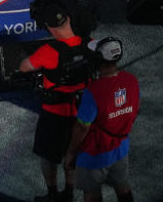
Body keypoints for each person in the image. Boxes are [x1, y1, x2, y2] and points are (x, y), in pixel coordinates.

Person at [19, 1, 89, 202]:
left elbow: (25, 67)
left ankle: (52, 195)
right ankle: (68, 193)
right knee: (71, 154)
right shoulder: (88, 42)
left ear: (49, 27)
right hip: (81, 113)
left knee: (48, 157)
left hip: (54, 114)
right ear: (67, 19)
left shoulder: (49, 51)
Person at [63, 38, 140, 202]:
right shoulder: (131, 80)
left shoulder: (94, 91)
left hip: (94, 153)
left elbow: (82, 127)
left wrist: (70, 153)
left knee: (91, 194)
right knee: (123, 188)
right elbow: (134, 112)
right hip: (121, 148)